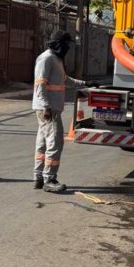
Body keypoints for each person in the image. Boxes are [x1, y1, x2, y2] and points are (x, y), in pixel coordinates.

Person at [32, 29, 87, 193]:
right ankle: (50, 179)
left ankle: (39, 177)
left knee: (43, 143)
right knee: (55, 143)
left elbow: (65, 80)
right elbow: (40, 84)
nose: (67, 48)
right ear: (58, 44)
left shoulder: (57, 59)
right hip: (48, 109)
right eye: (65, 45)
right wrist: (46, 105)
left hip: (51, 108)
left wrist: (86, 83)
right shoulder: (46, 58)